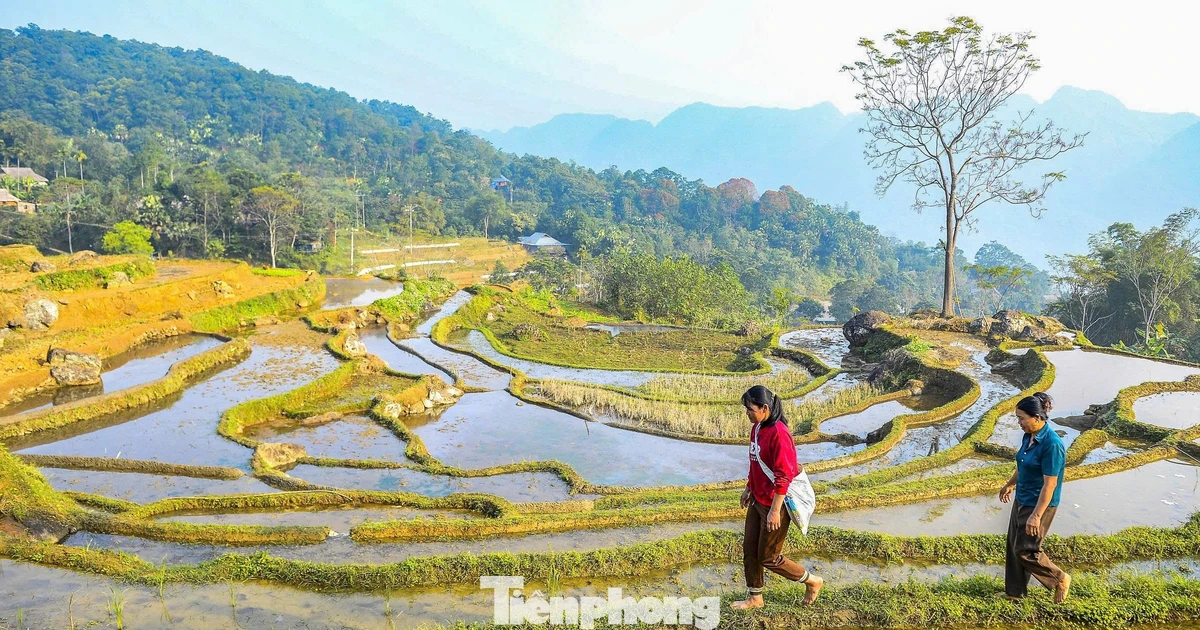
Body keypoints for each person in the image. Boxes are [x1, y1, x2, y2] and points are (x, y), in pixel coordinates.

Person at [731, 385, 822, 610]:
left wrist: (774, 510)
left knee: (770, 557)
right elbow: (756, 463)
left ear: (764, 408)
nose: (747, 414)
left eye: (750, 410)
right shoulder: (757, 427)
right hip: (758, 499)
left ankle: (812, 581)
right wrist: (748, 488)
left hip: (775, 504)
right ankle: (755, 597)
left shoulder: (779, 434)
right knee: (750, 549)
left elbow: (783, 475)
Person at [998, 391, 1071, 603]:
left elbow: (1050, 485)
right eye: (1018, 418)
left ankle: (1059, 578)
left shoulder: (1052, 445)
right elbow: (1023, 464)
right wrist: (1010, 484)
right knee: (1014, 546)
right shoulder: (1028, 436)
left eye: (1021, 418)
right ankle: (1015, 594)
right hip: (1023, 497)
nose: (1019, 422)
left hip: (1040, 504)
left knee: (1026, 550)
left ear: (1037, 418)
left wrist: (1036, 516)